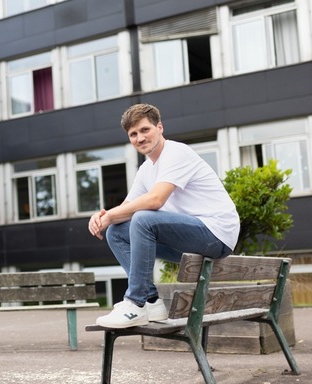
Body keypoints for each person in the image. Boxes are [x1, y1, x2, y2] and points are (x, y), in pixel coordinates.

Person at [88, 104, 240, 328]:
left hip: (216, 235)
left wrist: (111, 214)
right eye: (133, 134)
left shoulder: (176, 152)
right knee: (117, 232)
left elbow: (155, 200)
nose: (140, 138)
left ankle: (135, 303)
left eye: (145, 130)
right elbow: (126, 209)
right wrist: (102, 217)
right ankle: (150, 301)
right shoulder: (146, 169)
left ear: (159, 127)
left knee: (142, 219)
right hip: (190, 240)